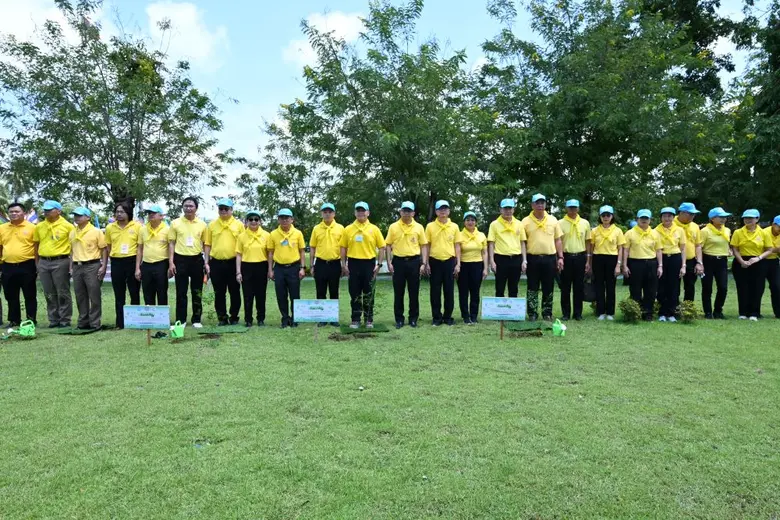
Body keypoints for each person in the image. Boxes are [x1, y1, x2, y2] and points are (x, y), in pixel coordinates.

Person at [341, 202, 386, 329]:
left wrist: (379, 264)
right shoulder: (348, 229)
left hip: (369, 264)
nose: (361, 212)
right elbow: (343, 248)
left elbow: (382, 247)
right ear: (355, 213)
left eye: (363, 210)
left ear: (368, 213)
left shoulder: (374, 229)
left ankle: (368, 319)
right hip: (353, 263)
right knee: (354, 293)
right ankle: (355, 319)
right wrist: (344, 265)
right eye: (358, 210)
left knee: (369, 293)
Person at [521, 194, 564, 321]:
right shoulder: (525, 222)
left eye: (542, 202)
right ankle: (532, 313)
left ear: (545, 204)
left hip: (550, 258)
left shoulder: (553, 220)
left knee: (548, 286)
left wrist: (560, 257)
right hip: (532, 258)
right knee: (532, 286)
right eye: (537, 203)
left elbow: (558, 240)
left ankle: (547, 312)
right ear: (532, 205)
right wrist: (524, 260)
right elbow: (523, 242)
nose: (540, 205)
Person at [385, 201, 428, 329]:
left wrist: (423, 263)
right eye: (404, 211)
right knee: (398, 292)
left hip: (414, 262)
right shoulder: (393, 226)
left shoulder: (419, 227)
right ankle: (399, 319)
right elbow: (387, 245)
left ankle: (413, 319)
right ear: (400, 212)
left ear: (413, 213)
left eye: (409, 211)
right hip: (398, 262)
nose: (406, 213)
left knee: (413, 292)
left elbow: (423, 245)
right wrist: (389, 262)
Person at [33, 200, 74, 328]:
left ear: (58, 211)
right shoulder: (39, 226)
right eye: (45, 210)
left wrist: (71, 266)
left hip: (61, 261)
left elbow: (73, 247)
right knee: (49, 292)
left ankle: (65, 319)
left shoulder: (68, 226)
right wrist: (37, 263)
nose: (46, 212)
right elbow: (36, 245)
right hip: (44, 262)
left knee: (62, 292)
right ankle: (53, 319)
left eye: (49, 210)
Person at [168, 197, 208, 328]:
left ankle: (196, 319)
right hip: (180, 260)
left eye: (191, 206)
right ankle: (181, 320)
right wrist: (171, 262)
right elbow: (171, 243)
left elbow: (206, 244)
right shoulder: (175, 223)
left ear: (196, 208)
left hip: (197, 259)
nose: (188, 208)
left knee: (197, 291)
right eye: (186, 206)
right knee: (181, 292)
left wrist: (206, 262)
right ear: (182, 207)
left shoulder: (202, 224)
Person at [204, 198, 244, 325]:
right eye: (221, 208)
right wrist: (206, 262)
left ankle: (234, 317)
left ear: (231, 210)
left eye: (226, 208)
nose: (223, 211)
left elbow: (243, 244)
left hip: (233, 263)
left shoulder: (239, 225)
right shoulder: (211, 225)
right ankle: (222, 318)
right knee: (219, 293)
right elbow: (207, 245)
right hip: (216, 263)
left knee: (235, 292)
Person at [731, 209, 774, 321]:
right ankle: (743, 312)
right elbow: (735, 249)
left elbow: (769, 249)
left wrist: (758, 258)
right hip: (741, 261)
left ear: (757, 219)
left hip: (758, 261)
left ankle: (755, 313)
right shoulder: (738, 232)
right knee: (742, 287)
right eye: (746, 218)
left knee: (757, 288)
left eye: (751, 218)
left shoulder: (764, 233)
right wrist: (741, 261)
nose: (748, 220)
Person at [425, 200, 462, 326]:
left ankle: (447, 317)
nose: (443, 211)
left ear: (449, 211)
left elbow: (457, 246)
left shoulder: (455, 226)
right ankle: (436, 317)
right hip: (434, 261)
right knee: (435, 291)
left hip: (449, 261)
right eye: (440, 209)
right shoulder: (430, 226)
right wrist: (426, 263)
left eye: (445, 209)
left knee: (449, 290)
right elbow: (427, 245)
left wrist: (458, 263)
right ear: (436, 211)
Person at [69, 207, 107, 330]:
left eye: (79, 215)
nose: (76, 218)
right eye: (75, 215)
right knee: (80, 295)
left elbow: (104, 249)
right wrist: (71, 267)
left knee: (94, 295)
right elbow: (71, 251)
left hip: (92, 265)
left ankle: (95, 323)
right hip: (77, 265)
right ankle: (83, 322)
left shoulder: (96, 231)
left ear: (88, 218)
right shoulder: (73, 232)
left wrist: (104, 266)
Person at [104, 203, 141, 329]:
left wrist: (137, 266)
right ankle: (120, 323)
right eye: (117, 212)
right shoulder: (110, 227)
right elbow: (108, 245)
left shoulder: (137, 226)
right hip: (116, 261)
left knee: (134, 292)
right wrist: (113, 257)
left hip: (132, 261)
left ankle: (135, 322)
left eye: (122, 212)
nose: (119, 214)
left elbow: (140, 247)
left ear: (128, 213)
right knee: (119, 294)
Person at [267, 208, 305, 328]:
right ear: (278, 219)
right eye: (282, 217)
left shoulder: (298, 233)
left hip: (294, 267)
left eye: (287, 218)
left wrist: (302, 267)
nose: (284, 220)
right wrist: (270, 269)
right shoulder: (273, 234)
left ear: (292, 219)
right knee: (281, 294)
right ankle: (285, 318)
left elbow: (302, 251)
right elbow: (271, 253)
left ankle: (295, 318)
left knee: (295, 294)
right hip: (279, 268)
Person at [0, 202, 37, 326]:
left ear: (24, 213)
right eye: (11, 212)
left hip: (27, 265)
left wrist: (37, 264)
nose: (14, 214)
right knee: (10, 295)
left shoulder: (32, 227)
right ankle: (14, 320)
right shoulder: (2, 228)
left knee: (30, 294)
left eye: (17, 211)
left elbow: (37, 247)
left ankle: (30, 319)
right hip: (7, 266)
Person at [623, 209, 663, 321]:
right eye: (642, 218)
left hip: (651, 263)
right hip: (635, 263)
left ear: (650, 220)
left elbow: (659, 250)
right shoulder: (630, 233)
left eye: (646, 218)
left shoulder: (655, 233)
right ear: (637, 219)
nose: (644, 220)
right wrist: (624, 265)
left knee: (650, 290)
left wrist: (660, 266)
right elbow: (625, 250)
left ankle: (648, 313)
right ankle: (635, 312)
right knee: (635, 289)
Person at [310, 203, 345, 327]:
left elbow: (343, 248)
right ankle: (322, 318)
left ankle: (333, 317)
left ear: (334, 214)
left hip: (335, 263)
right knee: (320, 291)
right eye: (325, 212)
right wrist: (312, 265)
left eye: (330, 211)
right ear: (321, 213)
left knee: (334, 291)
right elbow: (313, 247)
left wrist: (343, 265)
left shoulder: (340, 228)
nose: (327, 214)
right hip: (320, 263)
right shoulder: (316, 228)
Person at [558, 199, 592, 321]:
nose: (572, 210)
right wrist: (559, 257)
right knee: (565, 287)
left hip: (580, 257)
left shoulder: (585, 223)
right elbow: (558, 242)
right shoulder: (560, 223)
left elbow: (588, 242)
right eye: (570, 207)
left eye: (575, 207)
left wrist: (588, 260)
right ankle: (566, 313)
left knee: (579, 287)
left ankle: (578, 313)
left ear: (578, 208)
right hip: (566, 257)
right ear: (566, 208)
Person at [235, 210, 270, 327]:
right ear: (246, 222)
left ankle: (261, 319)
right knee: (247, 295)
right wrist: (238, 272)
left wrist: (270, 270)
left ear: (260, 222)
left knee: (261, 295)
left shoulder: (266, 235)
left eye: (256, 219)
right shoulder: (241, 236)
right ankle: (248, 319)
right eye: (250, 219)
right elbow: (239, 254)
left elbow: (270, 254)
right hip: (246, 266)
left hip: (262, 266)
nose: (253, 221)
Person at [590, 205, 625, 320]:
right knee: (599, 286)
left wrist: (618, 264)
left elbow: (620, 248)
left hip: (612, 259)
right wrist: (589, 263)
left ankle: (610, 312)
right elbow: (592, 247)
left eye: (608, 215)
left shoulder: (617, 231)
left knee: (611, 286)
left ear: (612, 216)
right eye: (603, 215)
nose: (605, 217)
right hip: (598, 258)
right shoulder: (594, 230)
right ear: (600, 217)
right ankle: (600, 312)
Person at [487, 198, 527, 298]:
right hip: (500, 258)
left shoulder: (519, 224)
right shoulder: (494, 224)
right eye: (505, 209)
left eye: (510, 208)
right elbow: (491, 243)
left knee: (514, 288)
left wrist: (524, 260)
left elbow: (522, 243)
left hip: (516, 258)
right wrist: (492, 261)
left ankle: (512, 313)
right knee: (500, 287)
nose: (508, 211)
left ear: (513, 210)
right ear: (500, 210)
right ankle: (499, 312)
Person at [655, 207, 686, 322]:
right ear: (661, 218)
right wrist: (660, 265)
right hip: (661, 258)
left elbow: (683, 249)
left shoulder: (679, 230)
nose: (667, 218)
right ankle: (662, 313)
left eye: (669, 216)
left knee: (674, 286)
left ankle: (672, 313)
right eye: (664, 216)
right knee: (661, 286)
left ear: (673, 217)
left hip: (675, 258)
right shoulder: (655, 230)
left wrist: (683, 265)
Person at [700, 207, 732, 319]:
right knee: (707, 287)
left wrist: (728, 249)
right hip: (708, 259)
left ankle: (718, 310)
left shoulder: (727, 230)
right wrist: (700, 263)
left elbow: (726, 242)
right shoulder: (705, 231)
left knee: (723, 287)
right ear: (712, 218)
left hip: (722, 261)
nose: (724, 219)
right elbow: (699, 247)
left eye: (725, 217)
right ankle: (708, 312)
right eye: (721, 217)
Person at [134, 205, 170, 306]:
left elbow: (171, 248)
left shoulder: (167, 229)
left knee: (162, 292)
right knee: (147, 293)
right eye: (149, 213)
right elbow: (140, 249)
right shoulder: (143, 229)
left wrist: (171, 265)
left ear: (161, 216)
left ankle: (162, 319)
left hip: (162, 264)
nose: (150, 215)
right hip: (146, 264)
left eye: (153, 213)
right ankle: (150, 318)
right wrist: (137, 268)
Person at [459, 211, 488, 324]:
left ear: (476, 222)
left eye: (472, 220)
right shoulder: (459, 235)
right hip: (463, 265)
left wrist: (485, 268)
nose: (470, 222)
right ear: (464, 222)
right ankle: (465, 316)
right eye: (468, 220)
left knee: (475, 292)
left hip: (477, 265)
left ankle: (474, 315)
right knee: (463, 292)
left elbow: (484, 252)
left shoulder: (481, 235)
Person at [674, 203, 704, 302]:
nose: (692, 216)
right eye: (690, 214)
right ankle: (674, 308)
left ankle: (688, 309)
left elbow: (698, 245)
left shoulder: (695, 226)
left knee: (690, 286)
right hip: (675, 259)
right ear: (681, 213)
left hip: (691, 260)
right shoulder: (671, 224)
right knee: (674, 286)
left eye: (694, 214)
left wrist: (699, 262)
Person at [763, 216, 780, 319]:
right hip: (761, 261)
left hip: (774, 262)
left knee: (777, 287)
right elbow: (761, 248)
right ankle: (755, 312)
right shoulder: (764, 232)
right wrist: (776, 249)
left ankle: (778, 312)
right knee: (758, 288)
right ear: (774, 224)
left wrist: (772, 250)